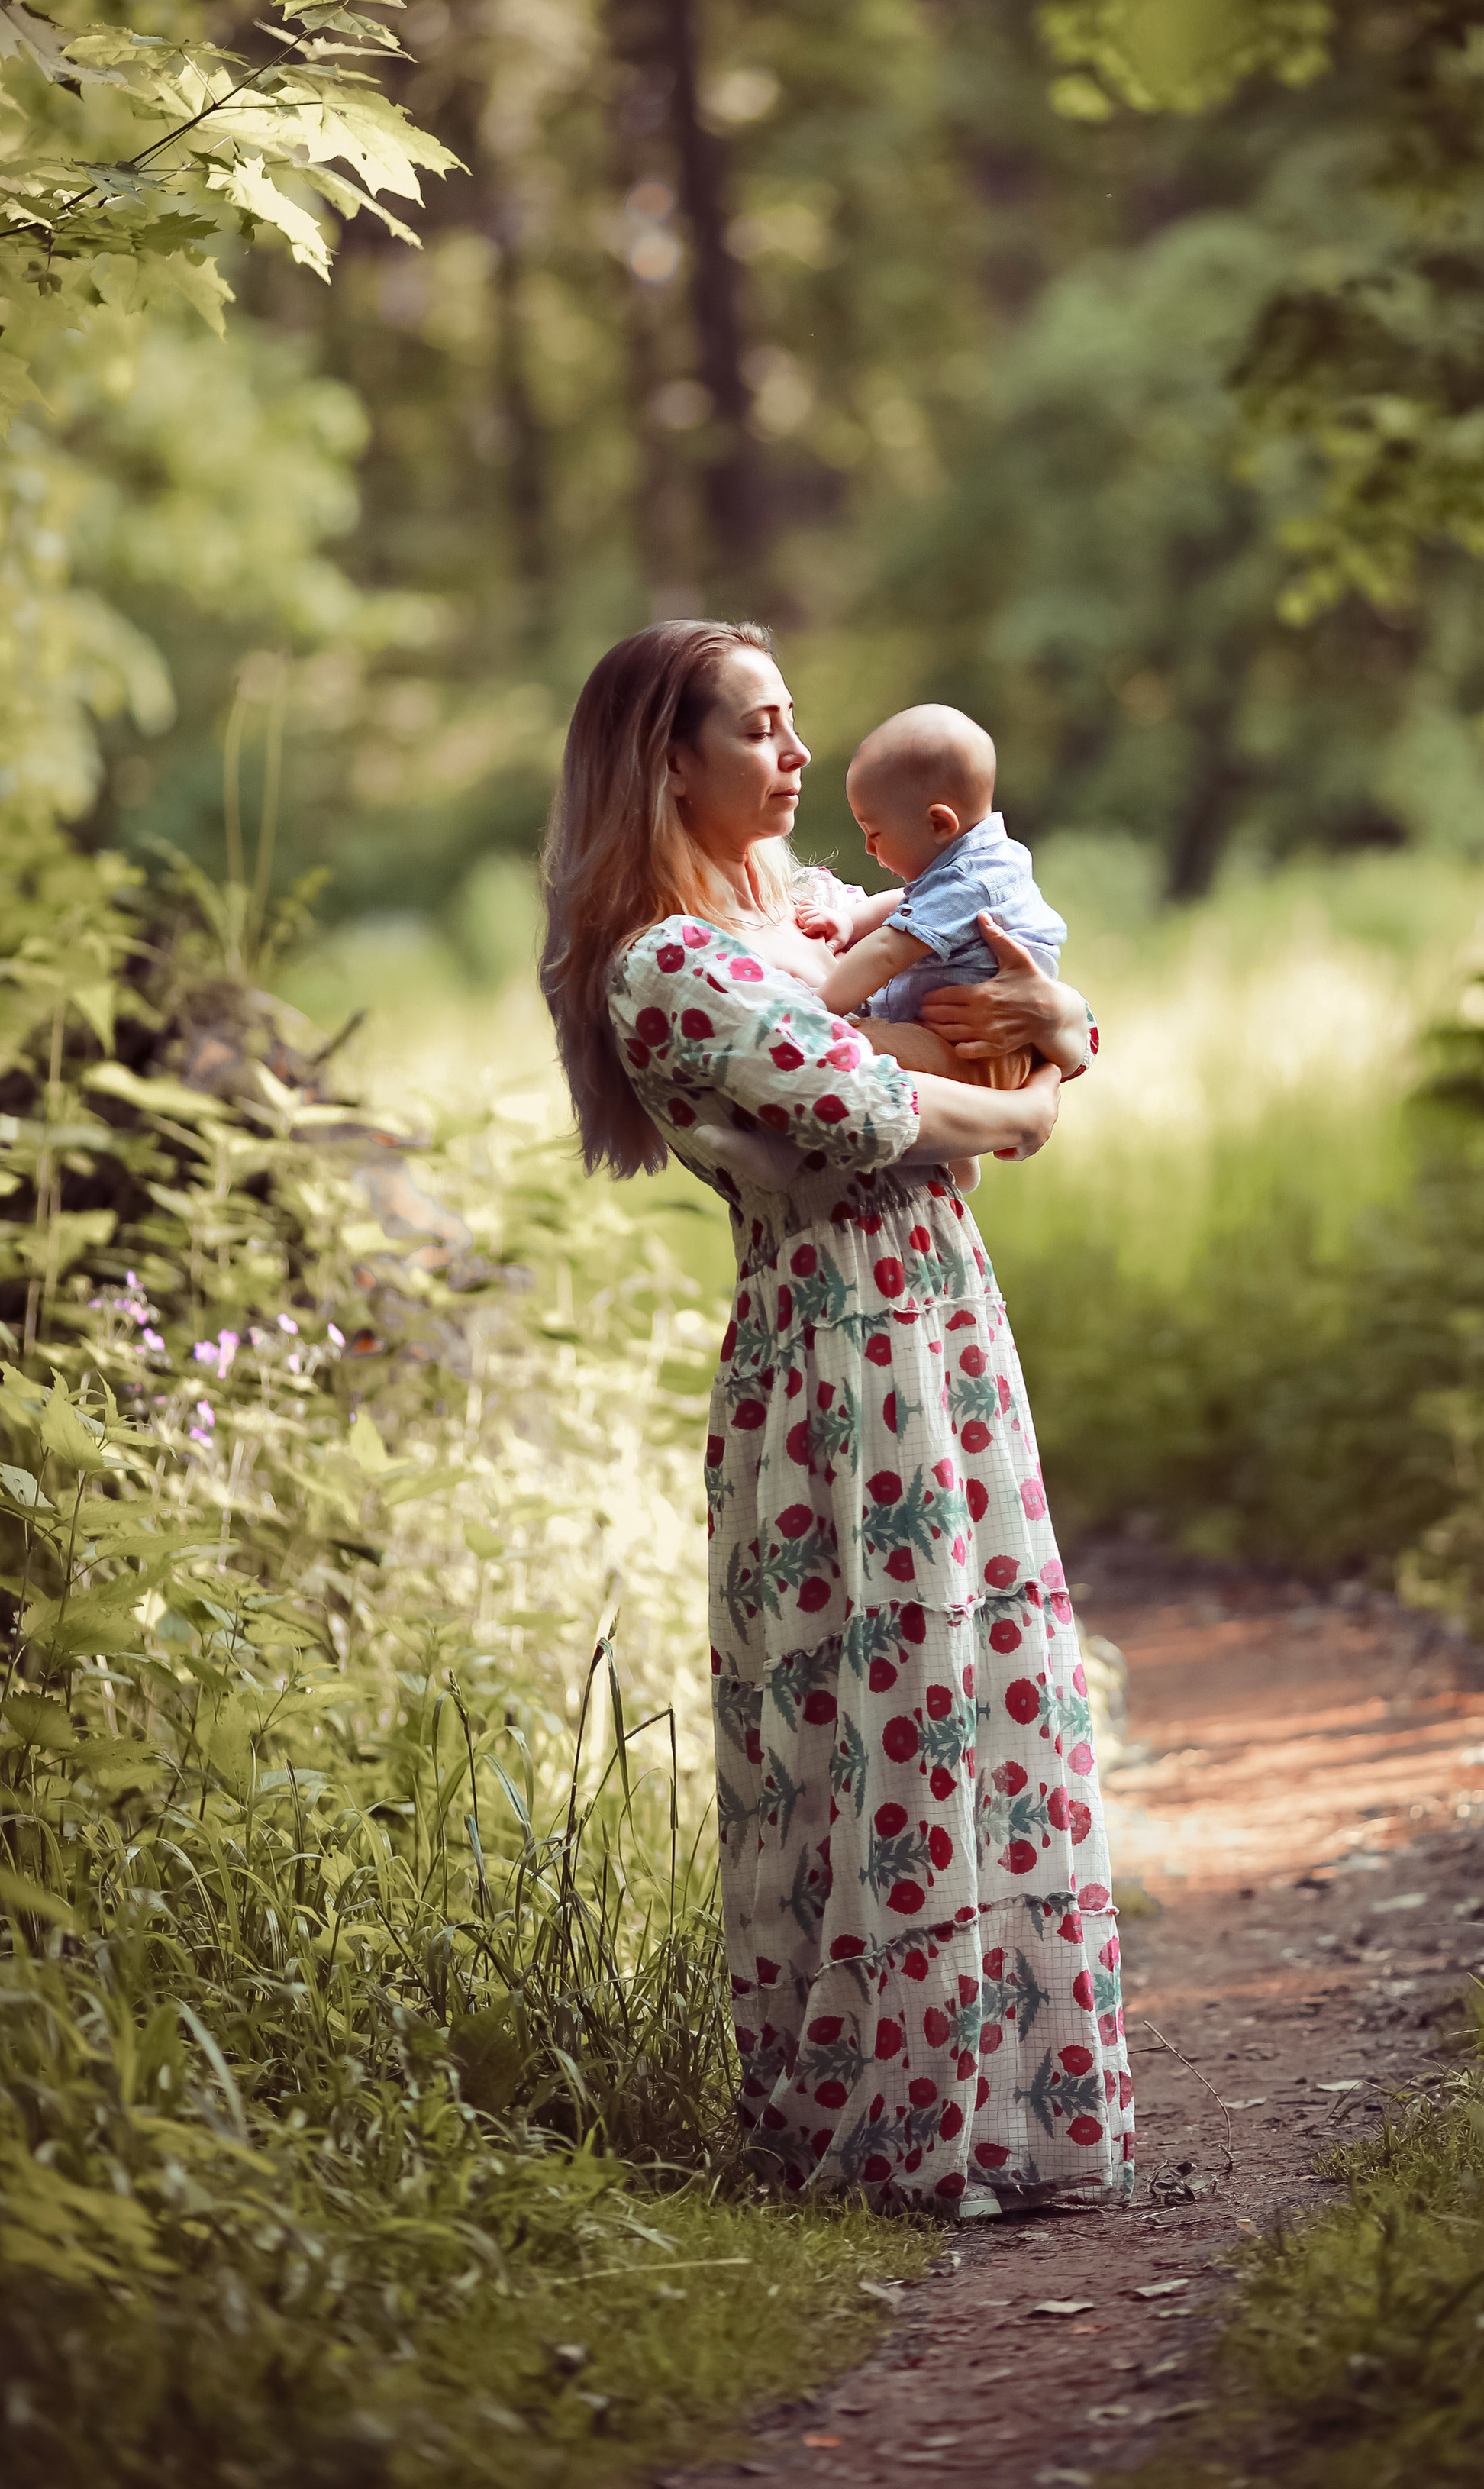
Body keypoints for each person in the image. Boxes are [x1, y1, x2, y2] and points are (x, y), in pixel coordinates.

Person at [540, 618, 1133, 2218]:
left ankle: (1010, 2113)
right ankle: (878, 2127)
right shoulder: (664, 965)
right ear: (667, 761)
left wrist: (1031, 1041)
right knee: (868, 1716)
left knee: (985, 1688)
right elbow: (865, 1107)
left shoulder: (809, 913)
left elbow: (1044, 1007)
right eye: (762, 726)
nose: (801, 755)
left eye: (797, 721)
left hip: (941, 1321)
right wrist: (1003, 1102)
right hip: (832, 1360)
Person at [794, 702, 1067, 1094]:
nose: (869, 849)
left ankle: (768, 1141)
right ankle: (959, 1158)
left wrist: (819, 1008)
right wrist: (852, 921)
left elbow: (887, 951)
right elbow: (908, 903)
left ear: (938, 823)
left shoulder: (970, 881)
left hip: (978, 1052)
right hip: (987, 1050)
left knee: (846, 1042)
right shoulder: (985, 864)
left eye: (875, 833)